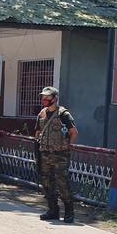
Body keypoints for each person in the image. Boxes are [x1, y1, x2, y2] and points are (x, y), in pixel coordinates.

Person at [35, 86, 79, 223]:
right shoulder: (41, 114)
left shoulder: (63, 114)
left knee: (62, 184)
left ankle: (69, 212)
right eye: (43, 97)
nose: (44, 99)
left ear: (55, 98)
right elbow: (37, 133)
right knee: (47, 183)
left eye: (47, 97)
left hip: (60, 155)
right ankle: (53, 210)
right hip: (45, 154)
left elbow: (74, 132)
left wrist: (66, 147)